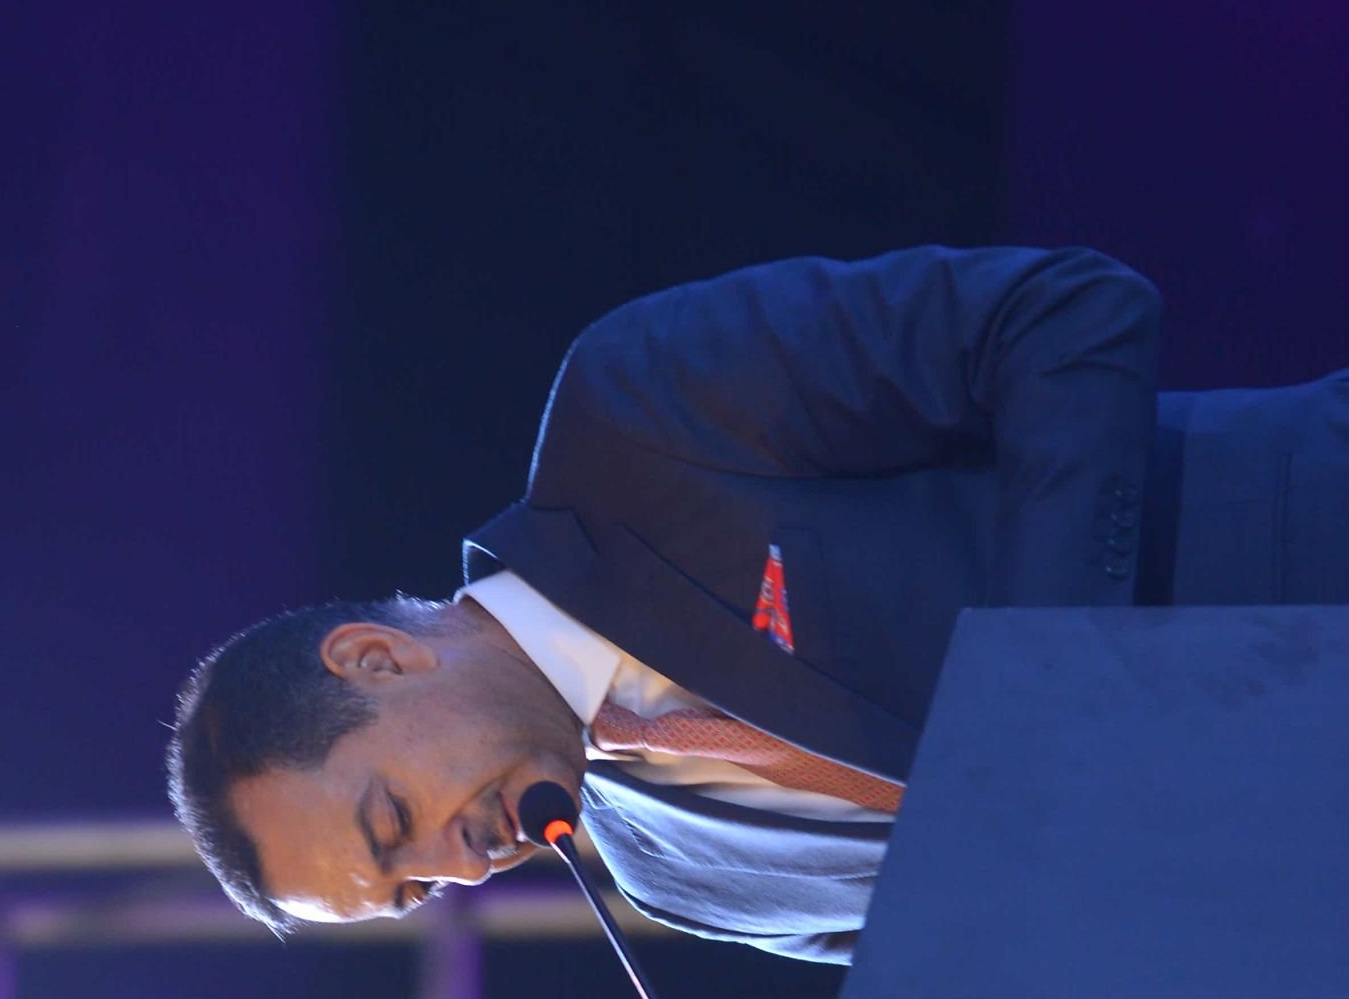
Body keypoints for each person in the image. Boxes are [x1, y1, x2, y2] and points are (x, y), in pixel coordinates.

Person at [167, 243, 1349, 962]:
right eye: (414, 889)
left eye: (395, 820)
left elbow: (1065, 312)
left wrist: (1049, 691)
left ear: (375, 658)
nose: (461, 869)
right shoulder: (677, 880)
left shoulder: (639, 418)